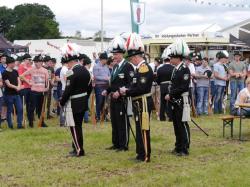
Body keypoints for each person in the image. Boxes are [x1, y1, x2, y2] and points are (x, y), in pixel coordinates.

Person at [120, 33, 153, 162]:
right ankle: (140, 153)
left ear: (135, 57)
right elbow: (135, 86)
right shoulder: (139, 69)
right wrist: (127, 89)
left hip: (143, 101)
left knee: (143, 129)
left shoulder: (144, 68)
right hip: (138, 101)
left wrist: (127, 92)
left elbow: (142, 88)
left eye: (131, 58)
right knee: (139, 129)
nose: (131, 60)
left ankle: (145, 155)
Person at [59, 43, 92, 157]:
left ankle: (79, 150)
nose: (67, 65)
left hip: (74, 103)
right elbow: (90, 86)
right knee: (78, 126)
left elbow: (68, 90)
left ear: (71, 61)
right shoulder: (85, 70)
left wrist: (61, 102)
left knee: (74, 127)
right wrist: (84, 97)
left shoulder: (71, 72)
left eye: (67, 63)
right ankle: (77, 147)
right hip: (82, 102)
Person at [102, 36, 134, 151]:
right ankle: (116, 143)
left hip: (122, 99)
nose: (114, 56)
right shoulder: (115, 66)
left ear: (122, 54)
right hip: (113, 98)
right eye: (114, 54)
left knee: (122, 122)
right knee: (114, 121)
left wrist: (120, 93)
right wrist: (108, 90)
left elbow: (131, 84)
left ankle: (123, 145)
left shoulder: (128, 66)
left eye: (116, 54)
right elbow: (113, 83)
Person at [165, 39, 191, 156]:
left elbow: (184, 87)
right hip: (175, 101)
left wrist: (170, 94)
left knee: (182, 124)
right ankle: (178, 146)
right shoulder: (175, 70)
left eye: (172, 58)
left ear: (178, 58)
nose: (170, 60)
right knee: (176, 125)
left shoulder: (184, 69)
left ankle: (185, 148)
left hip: (181, 100)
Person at [20, 55, 49, 128]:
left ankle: (41, 122)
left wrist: (47, 88)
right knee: (32, 108)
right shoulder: (32, 69)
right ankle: (31, 122)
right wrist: (28, 82)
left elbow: (47, 81)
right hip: (33, 91)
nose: (36, 63)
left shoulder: (45, 70)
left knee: (41, 108)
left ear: (41, 63)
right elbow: (22, 76)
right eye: (35, 62)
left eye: (38, 62)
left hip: (41, 92)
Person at [2, 56, 23, 129]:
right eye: (12, 63)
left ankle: (19, 125)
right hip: (8, 95)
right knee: (10, 110)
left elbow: (18, 79)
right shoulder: (5, 73)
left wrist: (19, 86)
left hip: (17, 94)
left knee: (20, 109)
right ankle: (10, 125)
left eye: (14, 63)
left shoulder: (15, 71)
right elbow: (8, 84)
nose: (14, 64)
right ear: (8, 64)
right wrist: (16, 87)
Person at [156, 46, 174, 121]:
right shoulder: (173, 68)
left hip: (163, 86)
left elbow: (157, 80)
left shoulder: (160, 69)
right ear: (169, 60)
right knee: (170, 102)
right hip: (171, 86)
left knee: (162, 102)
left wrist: (161, 83)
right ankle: (170, 117)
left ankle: (162, 117)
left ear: (164, 60)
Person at [93, 52, 110, 121]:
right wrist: (105, 78)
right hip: (99, 86)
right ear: (102, 59)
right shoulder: (96, 66)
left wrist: (109, 78)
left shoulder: (106, 67)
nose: (106, 61)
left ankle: (104, 116)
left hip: (106, 86)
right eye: (105, 60)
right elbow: (96, 77)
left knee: (104, 102)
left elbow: (109, 74)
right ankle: (97, 116)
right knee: (99, 101)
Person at [18, 53, 33, 125]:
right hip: (24, 88)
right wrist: (28, 81)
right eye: (28, 59)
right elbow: (20, 76)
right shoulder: (21, 66)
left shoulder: (30, 66)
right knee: (23, 104)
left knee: (30, 104)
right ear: (24, 60)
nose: (29, 61)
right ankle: (22, 120)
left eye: (30, 59)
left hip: (30, 87)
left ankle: (30, 119)